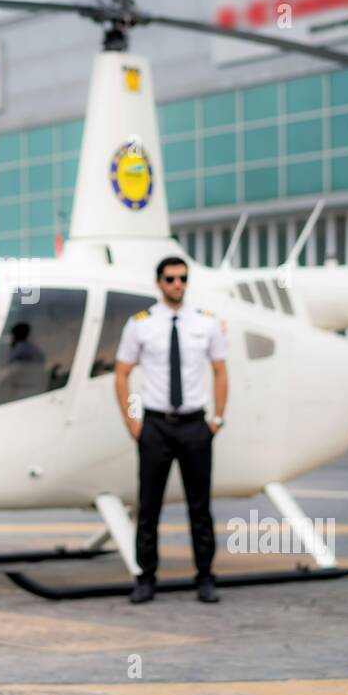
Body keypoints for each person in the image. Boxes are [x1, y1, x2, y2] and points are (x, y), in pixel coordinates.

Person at [113, 256, 228, 604]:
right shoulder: (140, 324)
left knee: (200, 506)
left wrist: (217, 419)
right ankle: (145, 578)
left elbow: (221, 372)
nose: (177, 284)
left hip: (195, 424)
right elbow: (121, 372)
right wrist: (132, 421)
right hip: (155, 425)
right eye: (170, 279)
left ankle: (205, 577)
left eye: (182, 278)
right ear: (158, 282)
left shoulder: (205, 323)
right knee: (149, 506)